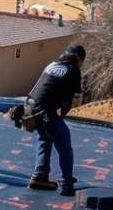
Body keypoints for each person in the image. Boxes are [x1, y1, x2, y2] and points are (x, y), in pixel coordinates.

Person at [25, 44, 85, 196]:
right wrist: (61, 115)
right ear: (79, 60)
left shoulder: (52, 64)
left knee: (44, 138)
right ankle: (66, 185)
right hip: (45, 111)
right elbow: (76, 99)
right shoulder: (74, 70)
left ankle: (39, 177)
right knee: (64, 145)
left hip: (29, 107)